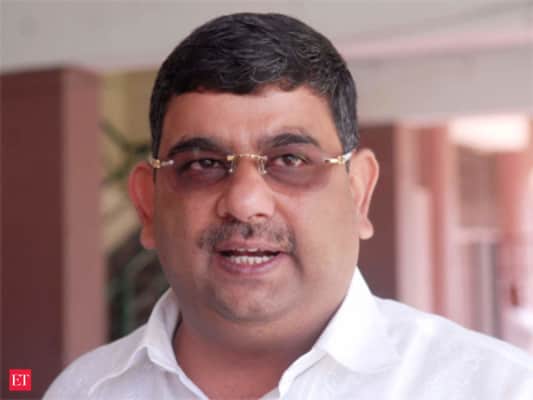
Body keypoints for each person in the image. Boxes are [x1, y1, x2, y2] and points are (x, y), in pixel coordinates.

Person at [44, 12, 532, 400]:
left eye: (290, 160)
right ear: (147, 204)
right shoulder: (84, 391)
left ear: (359, 192)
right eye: (203, 164)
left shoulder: (496, 388)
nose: (245, 203)